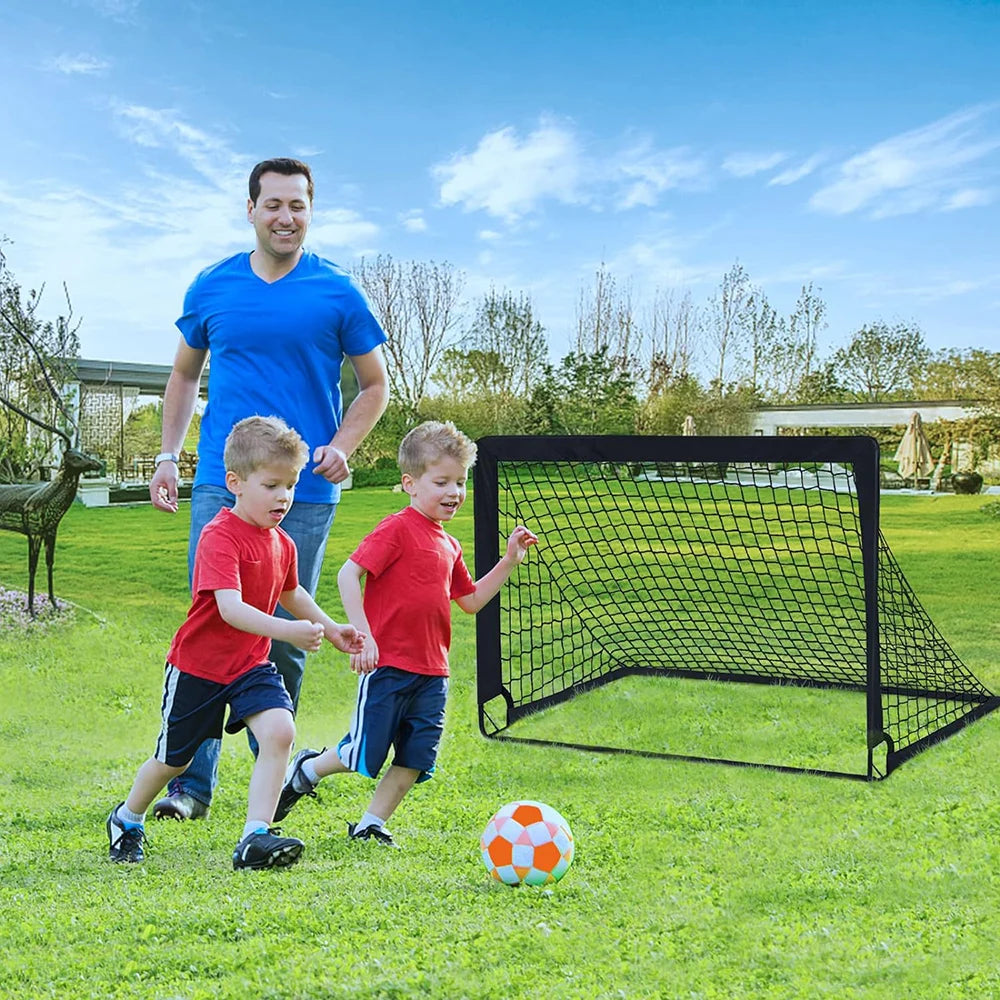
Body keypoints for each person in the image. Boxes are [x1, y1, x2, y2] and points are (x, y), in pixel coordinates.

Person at [148, 157, 388, 822]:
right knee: (211, 626)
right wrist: (169, 455)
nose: (286, 217)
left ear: (310, 212)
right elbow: (182, 379)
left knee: (290, 631)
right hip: (219, 489)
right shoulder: (212, 286)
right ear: (250, 209)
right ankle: (188, 787)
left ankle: (270, 781)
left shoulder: (338, 292)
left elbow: (375, 385)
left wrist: (341, 446)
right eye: (273, 204)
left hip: (304, 493)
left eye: (298, 205)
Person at [107, 416, 365, 869]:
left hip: (250, 666)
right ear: (236, 482)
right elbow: (231, 608)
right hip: (199, 668)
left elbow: (291, 591)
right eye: (271, 485)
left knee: (281, 731)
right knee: (173, 761)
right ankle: (127, 818)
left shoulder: (282, 542)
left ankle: (255, 837)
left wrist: (334, 627)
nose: (283, 497)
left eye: (289, 485)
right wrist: (289, 632)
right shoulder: (219, 536)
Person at [272, 420, 537, 846]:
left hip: (434, 672)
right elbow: (348, 574)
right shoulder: (396, 528)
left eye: (460, 482)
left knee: (416, 756)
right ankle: (307, 768)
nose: (454, 492)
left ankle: (370, 823)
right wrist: (365, 634)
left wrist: (508, 561)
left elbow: (468, 601)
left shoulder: (450, 546)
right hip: (388, 664)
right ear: (410, 483)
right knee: (363, 751)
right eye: (442, 481)